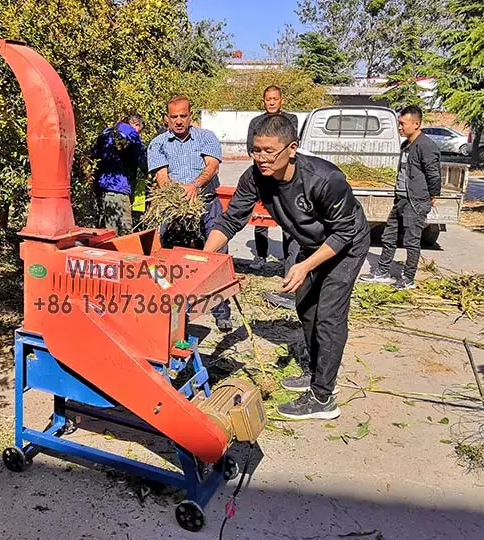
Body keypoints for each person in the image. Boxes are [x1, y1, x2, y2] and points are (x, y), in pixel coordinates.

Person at [203, 115, 370, 420]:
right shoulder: (255, 177)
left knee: (329, 316)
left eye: (269, 151)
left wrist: (305, 265)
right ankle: (316, 372)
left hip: (346, 243)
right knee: (306, 307)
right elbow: (230, 220)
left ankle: (323, 398)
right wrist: (204, 258)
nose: (261, 158)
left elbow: (344, 231)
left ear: (292, 149)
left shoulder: (324, 179)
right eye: (256, 150)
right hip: (312, 243)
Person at [147, 95, 232, 332]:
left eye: (183, 115)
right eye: (174, 117)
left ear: (190, 116)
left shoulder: (206, 138)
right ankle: (169, 308)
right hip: (174, 206)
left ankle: (221, 310)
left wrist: (194, 185)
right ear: (166, 119)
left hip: (206, 202)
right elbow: (162, 178)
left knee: (216, 255)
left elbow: (212, 166)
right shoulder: (158, 144)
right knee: (165, 255)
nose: (179, 121)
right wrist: (177, 196)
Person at [360, 105, 441, 290]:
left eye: (403, 124)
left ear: (416, 124)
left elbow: (433, 174)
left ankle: (408, 278)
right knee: (388, 236)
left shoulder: (426, 146)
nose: (400, 127)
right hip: (401, 199)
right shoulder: (407, 145)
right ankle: (382, 272)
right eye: (399, 123)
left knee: (411, 241)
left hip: (416, 200)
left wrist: (433, 195)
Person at [246, 86, 300, 275]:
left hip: (284, 179)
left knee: (288, 221)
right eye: (268, 99)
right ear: (263, 101)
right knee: (261, 219)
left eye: (274, 99)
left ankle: (289, 262)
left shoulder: (290, 120)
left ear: (281, 100)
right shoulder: (256, 122)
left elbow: (292, 145)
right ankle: (261, 256)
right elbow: (250, 147)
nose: (271, 102)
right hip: (263, 178)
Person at [92, 114, 146, 235]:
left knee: (108, 232)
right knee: (125, 233)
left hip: (103, 189)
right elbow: (141, 161)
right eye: (139, 130)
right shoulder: (132, 134)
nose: (139, 133)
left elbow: (94, 155)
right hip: (120, 189)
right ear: (136, 125)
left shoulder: (106, 133)